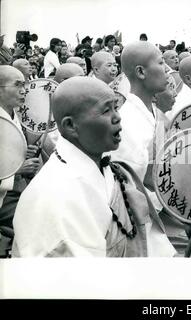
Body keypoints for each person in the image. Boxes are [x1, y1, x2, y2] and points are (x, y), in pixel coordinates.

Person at [12, 76, 173, 257]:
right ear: (70, 125)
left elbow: (151, 240)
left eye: (116, 107)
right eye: (106, 111)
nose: (117, 117)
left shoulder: (114, 172)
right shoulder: (53, 193)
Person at [109, 41, 176, 256]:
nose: (167, 69)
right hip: (140, 223)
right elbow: (132, 186)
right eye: (160, 62)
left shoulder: (154, 112)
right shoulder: (127, 121)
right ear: (140, 72)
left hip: (161, 207)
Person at [0, 66, 40, 257]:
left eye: (24, 84)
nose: (24, 90)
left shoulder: (14, 116)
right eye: (17, 85)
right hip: (5, 197)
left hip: (18, 190)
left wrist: (25, 155)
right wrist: (17, 169)